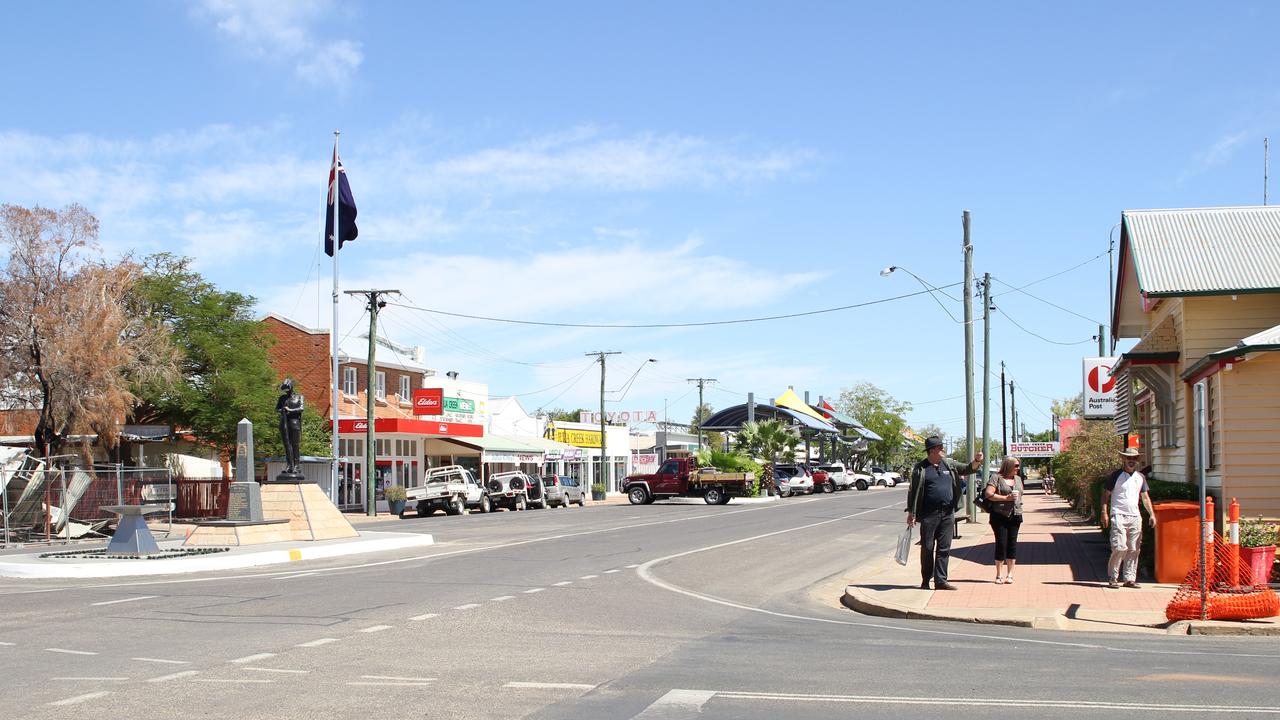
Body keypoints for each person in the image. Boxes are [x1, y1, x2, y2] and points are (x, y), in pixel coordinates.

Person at [906, 436, 983, 590]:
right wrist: (911, 513)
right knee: (927, 548)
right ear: (932, 450)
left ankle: (941, 580)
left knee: (944, 548)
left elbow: (968, 468)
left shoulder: (949, 464)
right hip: (929, 515)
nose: (943, 449)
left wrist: (977, 460)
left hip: (947, 513)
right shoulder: (920, 468)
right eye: (940, 447)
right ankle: (926, 580)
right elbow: (913, 492)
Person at [1101, 447, 1156, 588]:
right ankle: (1113, 577)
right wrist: (1104, 513)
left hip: (1135, 516)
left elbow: (1145, 497)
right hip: (1118, 514)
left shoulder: (1140, 477)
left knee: (1134, 548)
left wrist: (1151, 514)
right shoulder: (1115, 476)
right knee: (1120, 546)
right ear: (1123, 459)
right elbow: (1105, 495)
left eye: (1134, 458)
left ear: (1137, 461)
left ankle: (1129, 578)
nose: (1131, 461)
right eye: (1129, 458)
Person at [984, 457, 1024, 584]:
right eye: (1016, 466)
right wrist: (1006, 498)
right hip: (999, 515)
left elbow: (1021, 493)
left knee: (1012, 544)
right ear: (1008, 466)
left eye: (1018, 466)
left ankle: (1010, 574)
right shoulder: (996, 477)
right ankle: (999, 574)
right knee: (1001, 544)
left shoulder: (1017, 479)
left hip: (1015, 515)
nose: (1018, 468)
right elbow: (988, 494)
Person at [276, 378, 305, 474]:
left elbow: (301, 408)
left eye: (288, 389)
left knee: (295, 445)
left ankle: (296, 465)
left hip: (295, 422)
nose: (286, 391)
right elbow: (277, 409)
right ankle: (289, 465)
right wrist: (282, 410)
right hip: (284, 422)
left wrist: (290, 410)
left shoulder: (299, 397)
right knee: (287, 445)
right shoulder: (282, 398)